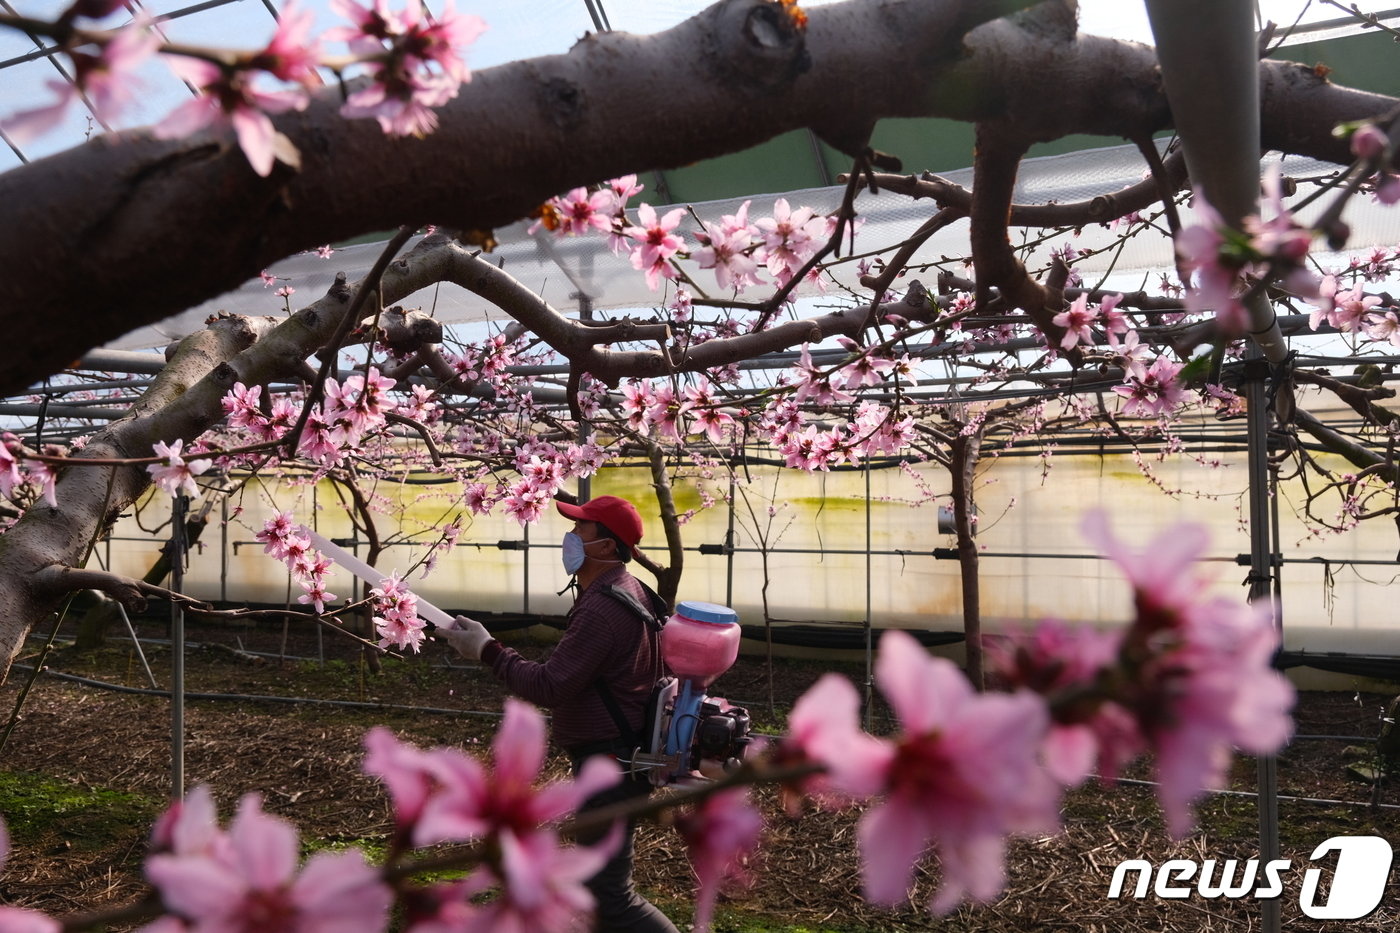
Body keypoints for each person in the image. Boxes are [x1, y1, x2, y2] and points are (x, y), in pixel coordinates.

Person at [440, 494, 680, 933]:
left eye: (580, 530)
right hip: (622, 753)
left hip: (612, 761)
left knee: (610, 898)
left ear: (606, 547)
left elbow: (551, 684)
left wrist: (488, 650)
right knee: (594, 893)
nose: (569, 536)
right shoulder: (630, 591)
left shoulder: (605, 608)